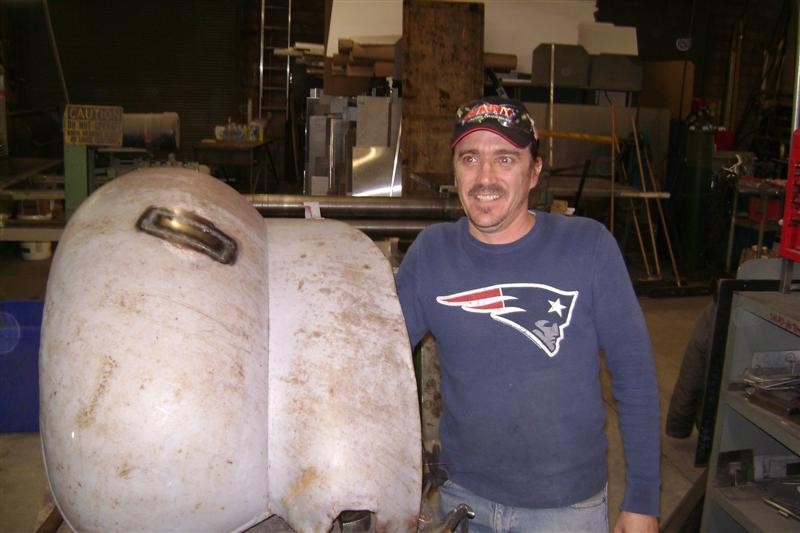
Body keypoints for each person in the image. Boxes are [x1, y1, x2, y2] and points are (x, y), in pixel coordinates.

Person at [396, 96, 660, 532]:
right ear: (455, 170)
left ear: (534, 171)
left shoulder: (588, 246)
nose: (485, 177)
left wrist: (643, 500)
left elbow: (635, 375)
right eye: (469, 158)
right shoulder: (431, 254)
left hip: (564, 509)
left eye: (505, 159)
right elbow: (375, 364)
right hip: (462, 499)